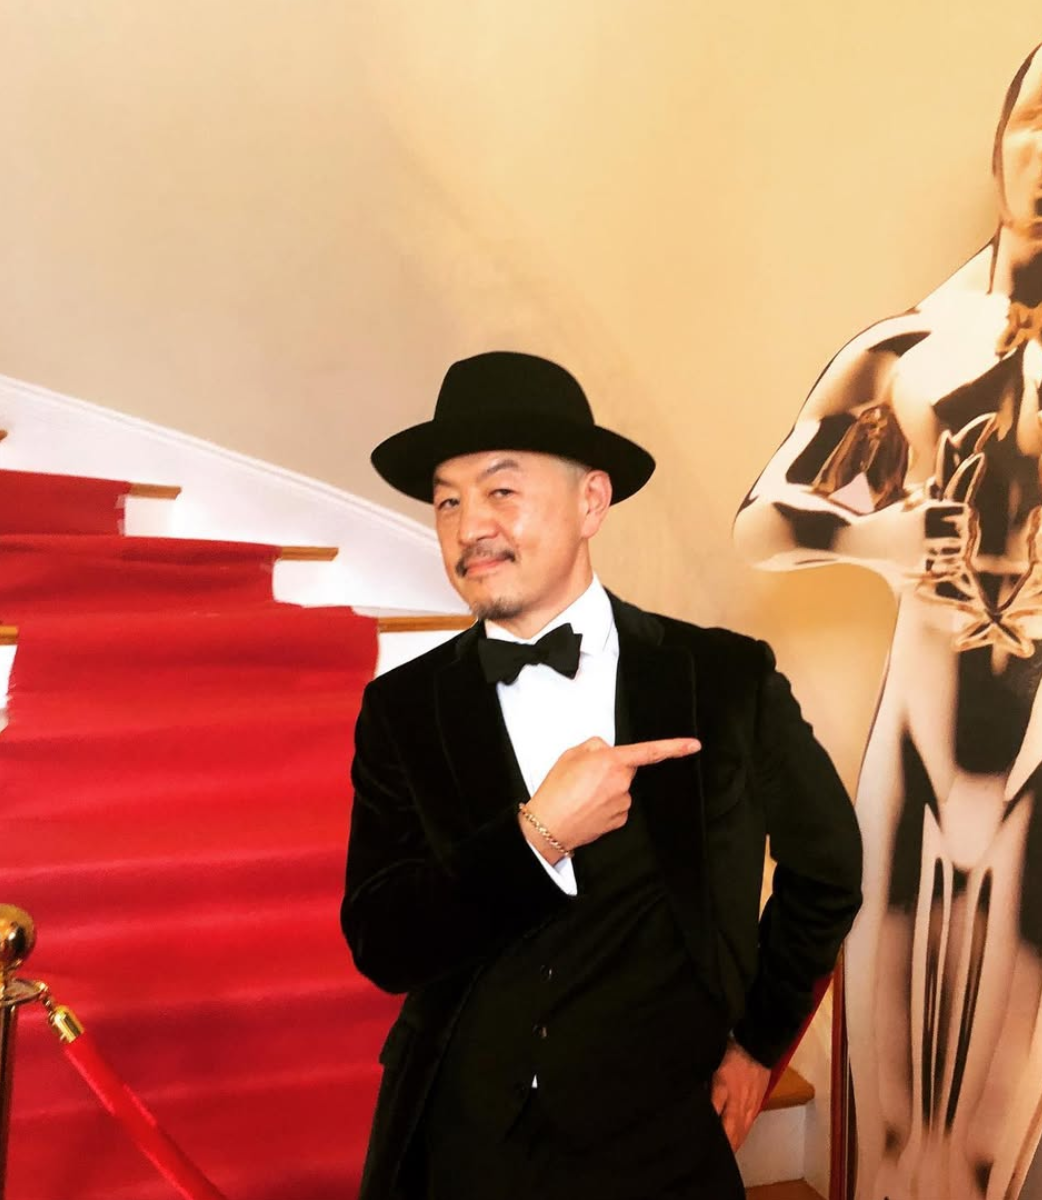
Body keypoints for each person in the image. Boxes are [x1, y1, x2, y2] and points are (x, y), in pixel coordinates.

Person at [734, 19, 1042, 1200]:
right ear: (1000, 133)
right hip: (915, 732)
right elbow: (765, 522)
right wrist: (887, 535)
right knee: (883, 1094)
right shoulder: (911, 342)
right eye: (1038, 116)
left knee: (997, 1106)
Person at [341, 350, 863, 1200]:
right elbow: (382, 939)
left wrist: (760, 1044)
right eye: (447, 500)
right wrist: (535, 837)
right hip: (462, 1145)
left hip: (659, 1146)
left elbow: (828, 869)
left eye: (501, 490)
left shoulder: (721, 680)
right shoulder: (403, 709)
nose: (470, 524)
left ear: (592, 500)